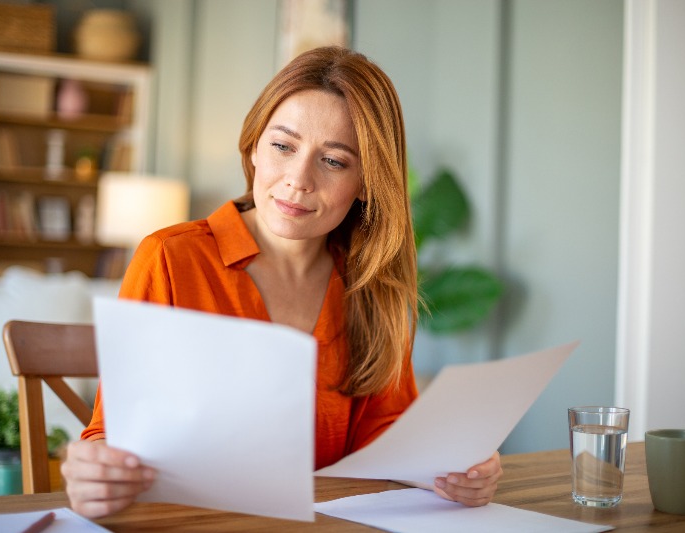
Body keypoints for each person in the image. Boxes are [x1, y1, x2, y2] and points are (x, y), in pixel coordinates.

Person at [62, 45, 502, 518]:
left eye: (334, 161)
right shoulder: (170, 258)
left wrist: (452, 467)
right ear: (254, 145)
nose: (297, 180)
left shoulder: (372, 283)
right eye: (283, 146)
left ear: (366, 182)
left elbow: (386, 438)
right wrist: (96, 469)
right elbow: (114, 433)